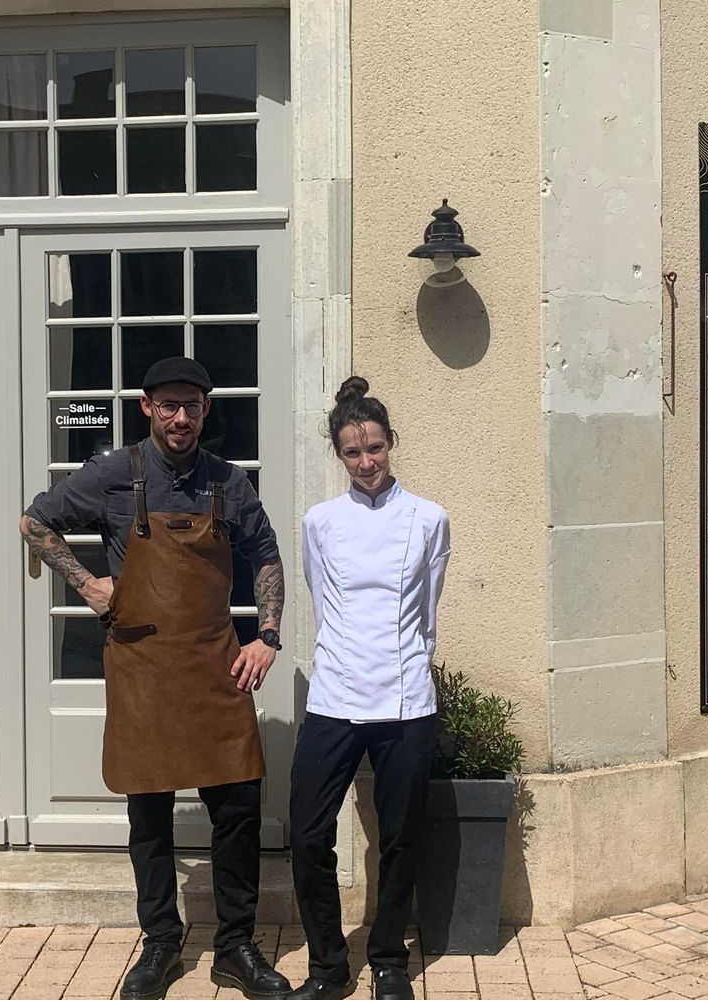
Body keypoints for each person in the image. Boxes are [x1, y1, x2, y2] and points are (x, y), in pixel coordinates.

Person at [20, 356, 292, 1000]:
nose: (180, 418)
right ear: (147, 407)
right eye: (168, 405)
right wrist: (87, 584)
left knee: (238, 809)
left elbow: (266, 554)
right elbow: (35, 521)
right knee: (150, 816)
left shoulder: (229, 481)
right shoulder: (113, 474)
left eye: (191, 406)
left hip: (217, 667)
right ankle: (161, 943)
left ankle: (236, 948)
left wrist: (267, 636)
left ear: (205, 410)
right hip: (141, 668)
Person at [285, 377, 451, 1000]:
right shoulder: (320, 521)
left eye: (375, 448)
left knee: (400, 836)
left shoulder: (429, 519)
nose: (366, 462)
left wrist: (412, 663)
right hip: (335, 693)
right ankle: (328, 966)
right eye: (353, 452)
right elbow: (322, 599)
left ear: (391, 443)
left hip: (406, 698)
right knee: (308, 833)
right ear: (339, 454)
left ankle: (387, 960)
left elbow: (427, 610)